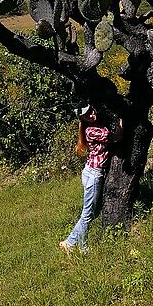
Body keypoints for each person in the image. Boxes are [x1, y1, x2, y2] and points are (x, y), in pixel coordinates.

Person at [59, 103, 123, 253]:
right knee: (87, 214)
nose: (92, 115)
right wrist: (122, 116)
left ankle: (82, 246)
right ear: (84, 119)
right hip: (94, 174)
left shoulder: (95, 126)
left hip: (89, 171)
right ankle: (70, 242)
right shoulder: (92, 131)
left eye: (91, 111)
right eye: (87, 115)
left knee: (91, 212)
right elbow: (117, 136)